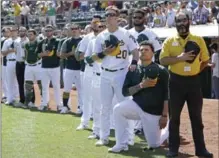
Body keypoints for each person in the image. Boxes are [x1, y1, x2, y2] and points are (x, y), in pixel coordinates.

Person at [159, 12, 213, 157]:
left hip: (194, 83)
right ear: (175, 23)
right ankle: (173, 149)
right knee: (174, 118)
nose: (181, 23)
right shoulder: (169, 41)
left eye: (184, 20)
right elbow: (163, 60)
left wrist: (195, 72)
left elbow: (205, 60)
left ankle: (201, 150)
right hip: (175, 82)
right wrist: (180, 58)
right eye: (178, 21)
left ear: (189, 21)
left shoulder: (198, 39)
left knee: (196, 118)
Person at [88, 5, 139, 146]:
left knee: (124, 106)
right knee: (105, 107)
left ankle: (129, 137)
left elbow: (135, 50)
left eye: (111, 14)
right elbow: (94, 57)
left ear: (117, 17)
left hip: (121, 73)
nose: (108, 17)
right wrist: (104, 53)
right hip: (105, 73)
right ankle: (103, 137)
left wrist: (134, 62)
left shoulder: (125, 33)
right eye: (107, 14)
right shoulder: (101, 36)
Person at [108, 41, 169, 153]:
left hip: (154, 111)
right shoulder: (133, 69)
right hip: (137, 106)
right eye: (141, 50)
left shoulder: (162, 71)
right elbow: (125, 92)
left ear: (153, 53)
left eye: (146, 50)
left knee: (154, 144)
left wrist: (164, 115)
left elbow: (167, 94)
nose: (143, 52)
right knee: (118, 109)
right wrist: (141, 85)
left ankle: (166, 131)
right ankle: (121, 144)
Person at [129, 9, 162, 133]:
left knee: (148, 98)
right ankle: (137, 126)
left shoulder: (151, 33)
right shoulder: (128, 33)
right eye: (135, 17)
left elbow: (159, 51)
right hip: (133, 69)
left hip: (148, 69)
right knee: (135, 97)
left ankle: (147, 125)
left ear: (144, 19)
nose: (137, 19)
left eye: (139, 17)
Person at [76, 15, 102, 129]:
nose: (95, 24)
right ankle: (84, 122)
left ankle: (108, 124)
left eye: (97, 22)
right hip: (90, 68)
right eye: (93, 22)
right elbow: (79, 56)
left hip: (104, 70)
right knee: (87, 96)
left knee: (104, 98)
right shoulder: (87, 37)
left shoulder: (107, 36)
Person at [36, 25, 63, 111]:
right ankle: (45, 104)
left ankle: (59, 105)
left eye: (50, 30)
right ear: (44, 31)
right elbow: (37, 54)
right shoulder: (41, 42)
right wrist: (44, 54)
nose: (48, 32)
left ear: (53, 31)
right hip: (44, 67)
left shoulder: (58, 41)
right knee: (44, 86)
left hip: (55, 67)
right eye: (46, 30)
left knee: (56, 86)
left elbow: (60, 54)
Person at [60, 23, 82, 114]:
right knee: (66, 88)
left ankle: (80, 107)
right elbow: (61, 55)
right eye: (72, 28)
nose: (74, 30)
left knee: (81, 89)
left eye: (76, 28)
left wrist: (77, 55)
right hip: (69, 67)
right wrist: (71, 54)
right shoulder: (67, 41)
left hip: (80, 68)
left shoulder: (83, 40)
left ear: (79, 29)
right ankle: (65, 106)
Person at [23, 29, 42, 108]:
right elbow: (25, 54)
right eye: (28, 34)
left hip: (38, 65)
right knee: (28, 85)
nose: (29, 36)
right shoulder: (26, 44)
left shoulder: (39, 43)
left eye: (31, 34)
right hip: (28, 66)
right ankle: (28, 102)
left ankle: (44, 103)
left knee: (41, 84)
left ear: (35, 35)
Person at [1, 26, 20, 105]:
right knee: (9, 81)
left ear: (17, 32)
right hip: (9, 61)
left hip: (18, 61)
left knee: (19, 81)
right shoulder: (7, 41)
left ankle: (18, 97)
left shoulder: (20, 40)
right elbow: (3, 53)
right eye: (11, 30)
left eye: (14, 30)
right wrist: (10, 50)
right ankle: (10, 98)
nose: (13, 32)